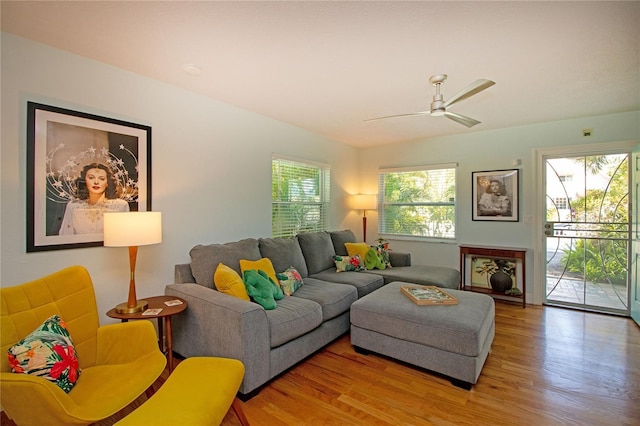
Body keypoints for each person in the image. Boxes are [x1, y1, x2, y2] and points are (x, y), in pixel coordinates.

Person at [59, 163, 129, 235]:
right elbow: (66, 235)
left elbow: (126, 234)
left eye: (101, 179)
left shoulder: (120, 206)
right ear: (84, 181)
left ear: (107, 182)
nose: (96, 182)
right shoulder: (73, 206)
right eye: (91, 178)